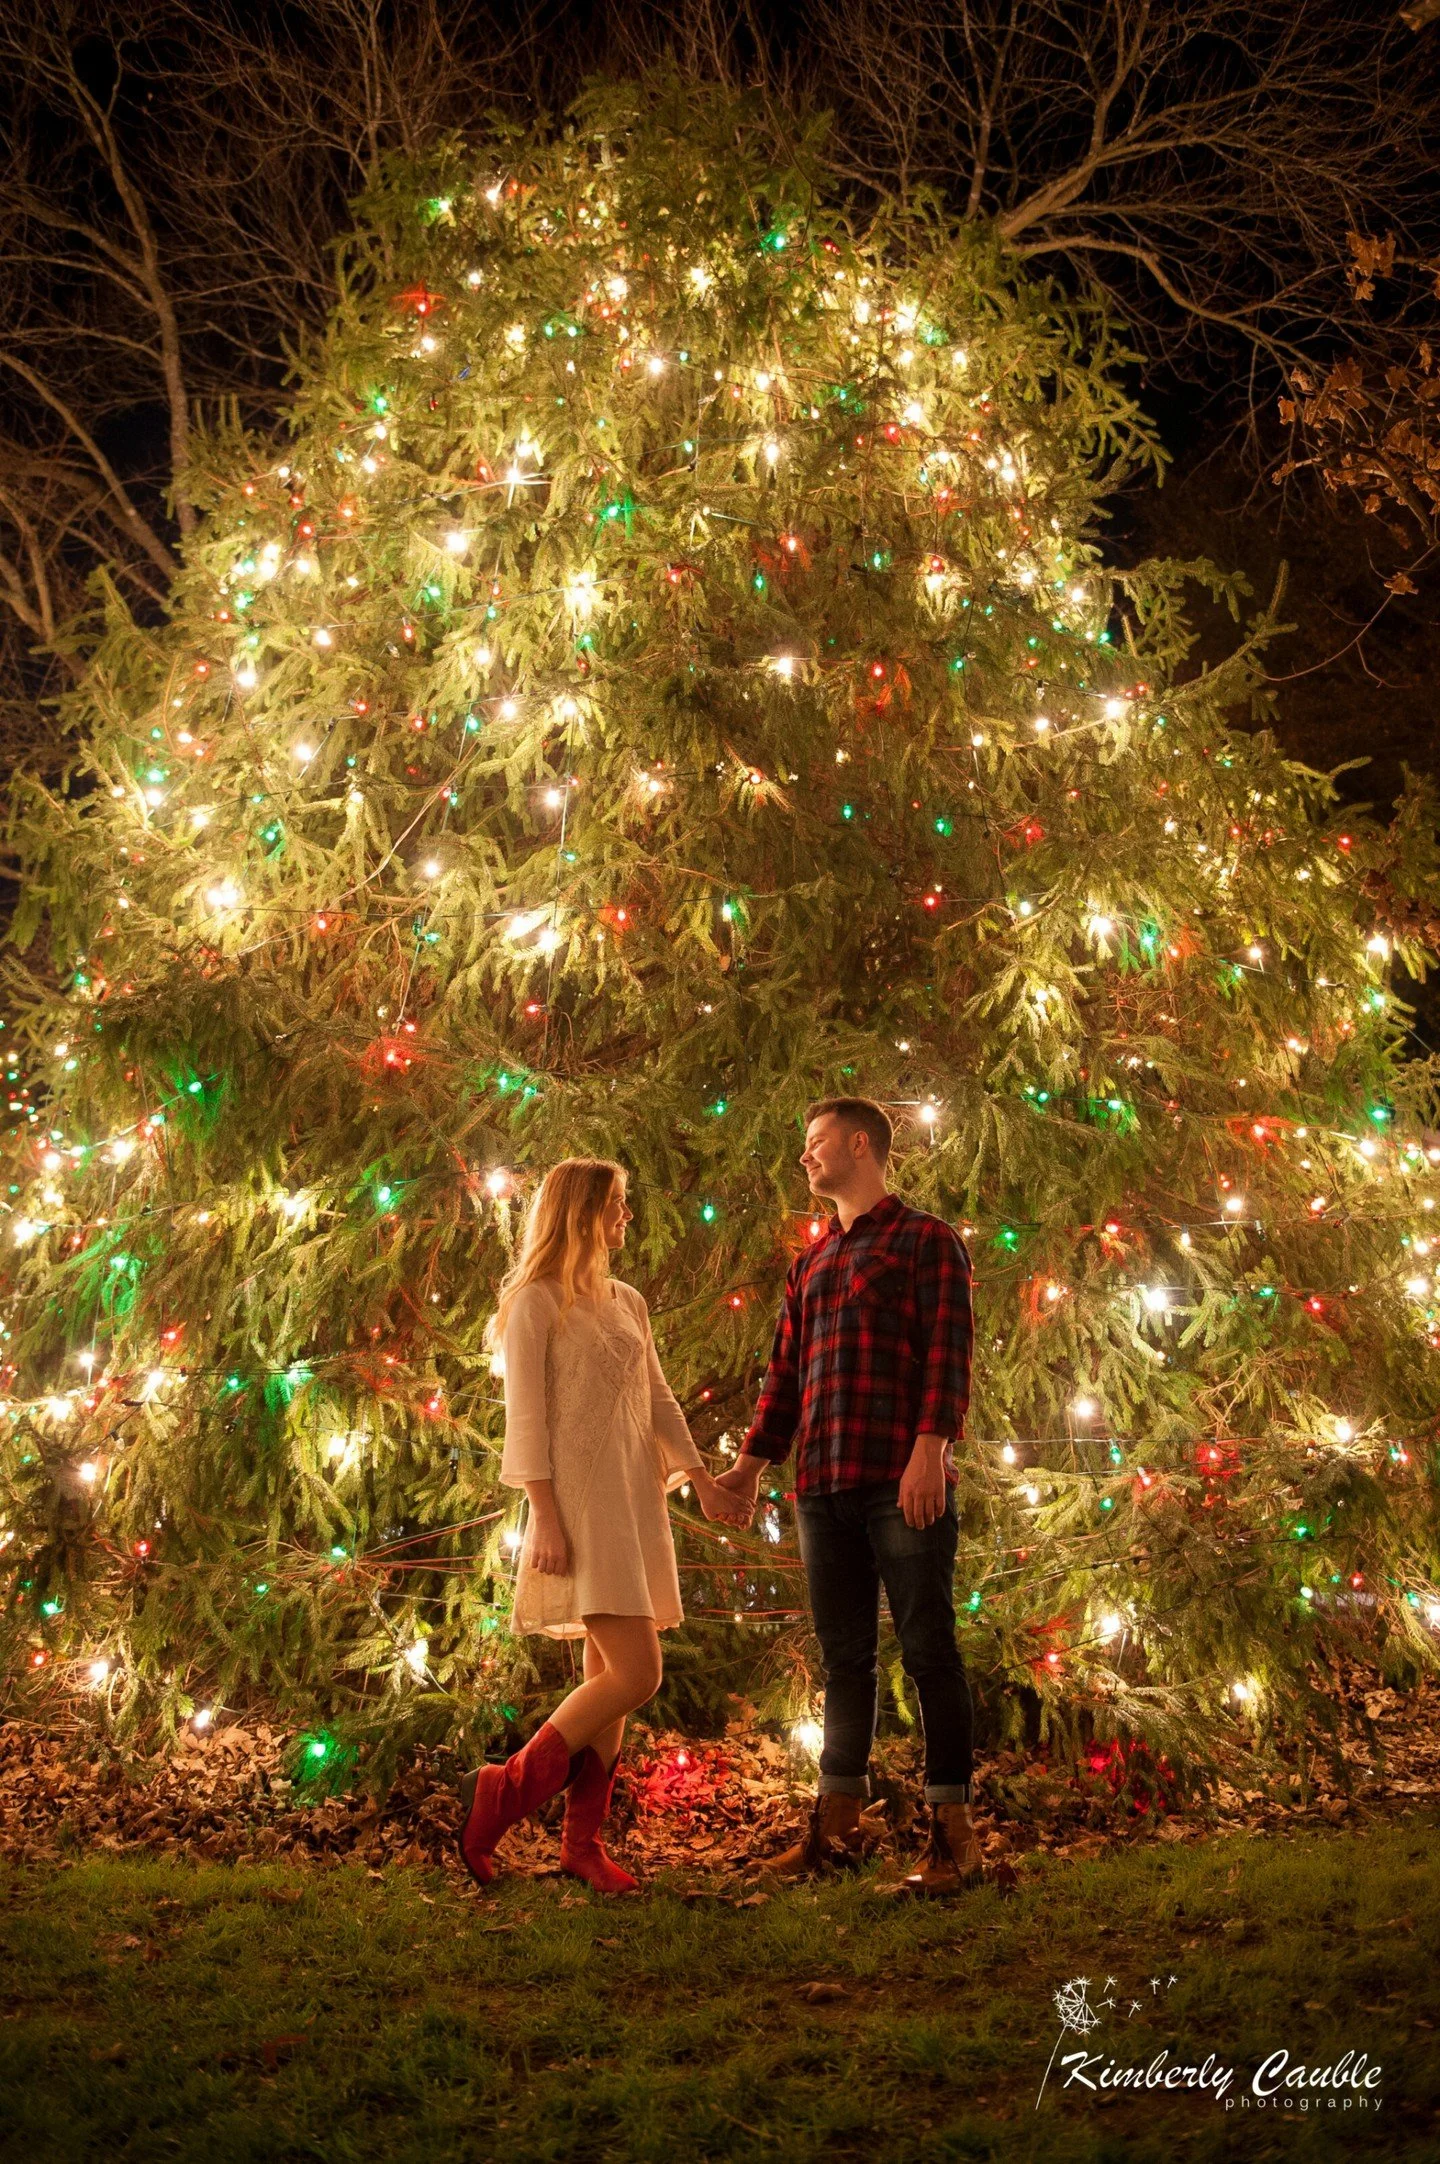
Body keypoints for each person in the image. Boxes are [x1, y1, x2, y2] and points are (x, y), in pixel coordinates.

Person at [456, 1157, 744, 1895]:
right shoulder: (535, 1302)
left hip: (633, 1501)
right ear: (583, 1212)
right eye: (618, 1205)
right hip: (577, 1507)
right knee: (638, 1674)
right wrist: (544, 1516)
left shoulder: (627, 1300)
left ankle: (581, 1846)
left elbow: (657, 1399)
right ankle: (504, 1791)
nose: (627, 1217)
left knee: (607, 1676)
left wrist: (703, 1481)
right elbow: (525, 1421)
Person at [715, 1098, 980, 1894]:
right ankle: (837, 1830)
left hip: (901, 1484)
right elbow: (784, 1380)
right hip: (821, 1488)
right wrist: (750, 1466)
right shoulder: (812, 1264)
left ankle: (953, 1837)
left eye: (816, 1143)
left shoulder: (926, 1241)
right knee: (844, 1661)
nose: (805, 1158)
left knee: (930, 1649)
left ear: (859, 1145)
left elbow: (948, 1355)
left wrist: (930, 1450)